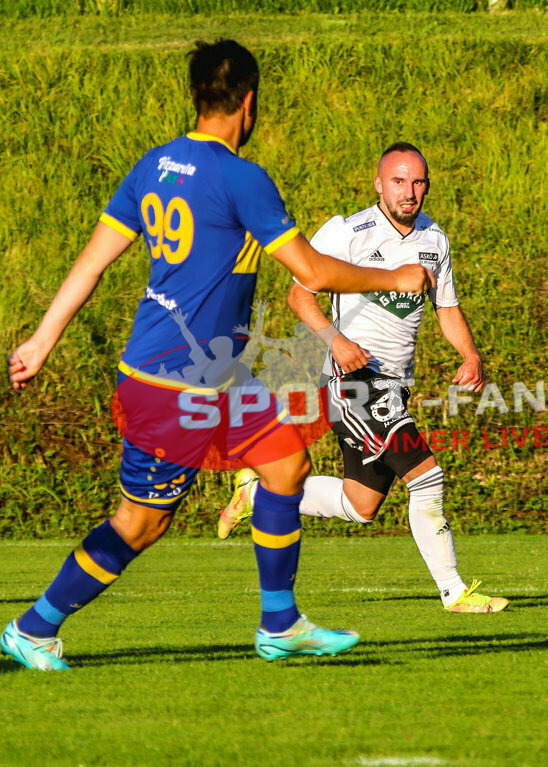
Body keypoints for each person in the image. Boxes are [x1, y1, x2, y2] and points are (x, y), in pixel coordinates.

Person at [0, 41, 435, 670]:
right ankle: (33, 628)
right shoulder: (240, 177)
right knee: (140, 525)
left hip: (205, 380)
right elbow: (308, 268)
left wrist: (42, 339)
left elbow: (92, 263)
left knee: (286, 464)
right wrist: (393, 279)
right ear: (250, 102)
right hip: (170, 386)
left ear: (198, 94)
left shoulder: (155, 165)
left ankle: (279, 624)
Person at [217, 143, 508, 614]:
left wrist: (470, 355)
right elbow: (299, 297)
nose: (409, 192)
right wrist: (336, 341)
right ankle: (455, 593)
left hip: (393, 385)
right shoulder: (348, 232)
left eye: (418, 182)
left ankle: (259, 491)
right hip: (353, 382)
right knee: (427, 476)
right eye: (398, 181)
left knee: (361, 504)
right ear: (379, 184)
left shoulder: (435, 240)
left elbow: (446, 308)